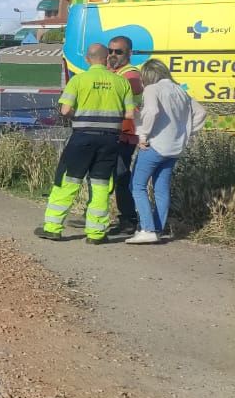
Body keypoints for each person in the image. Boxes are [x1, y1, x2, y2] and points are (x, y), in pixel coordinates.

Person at [36, 43, 137, 245]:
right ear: (107, 58)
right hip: (110, 140)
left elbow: (65, 110)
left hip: (82, 137)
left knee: (68, 181)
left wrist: (80, 116)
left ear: (87, 59)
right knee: (100, 184)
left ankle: (53, 228)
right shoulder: (121, 83)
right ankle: (96, 233)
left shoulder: (79, 80)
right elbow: (130, 114)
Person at [125, 59, 207, 244]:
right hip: (174, 148)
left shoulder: (152, 89)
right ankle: (158, 228)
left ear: (148, 75)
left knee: (137, 186)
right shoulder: (179, 90)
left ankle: (147, 228)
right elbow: (201, 112)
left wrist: (143, 135)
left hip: (154, 145)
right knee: (161, 189)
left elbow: (152, 111)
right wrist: (186, 132)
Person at [106, 35, 145, 235]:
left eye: (118, 51)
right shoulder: (114, 72)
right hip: (114, 131)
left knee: (121, 176)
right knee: (108, 175)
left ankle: (129, 219)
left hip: (125, 134)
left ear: (129, 53)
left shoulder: (130, 75)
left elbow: (125, 89)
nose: (112, 55)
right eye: (110, 51)